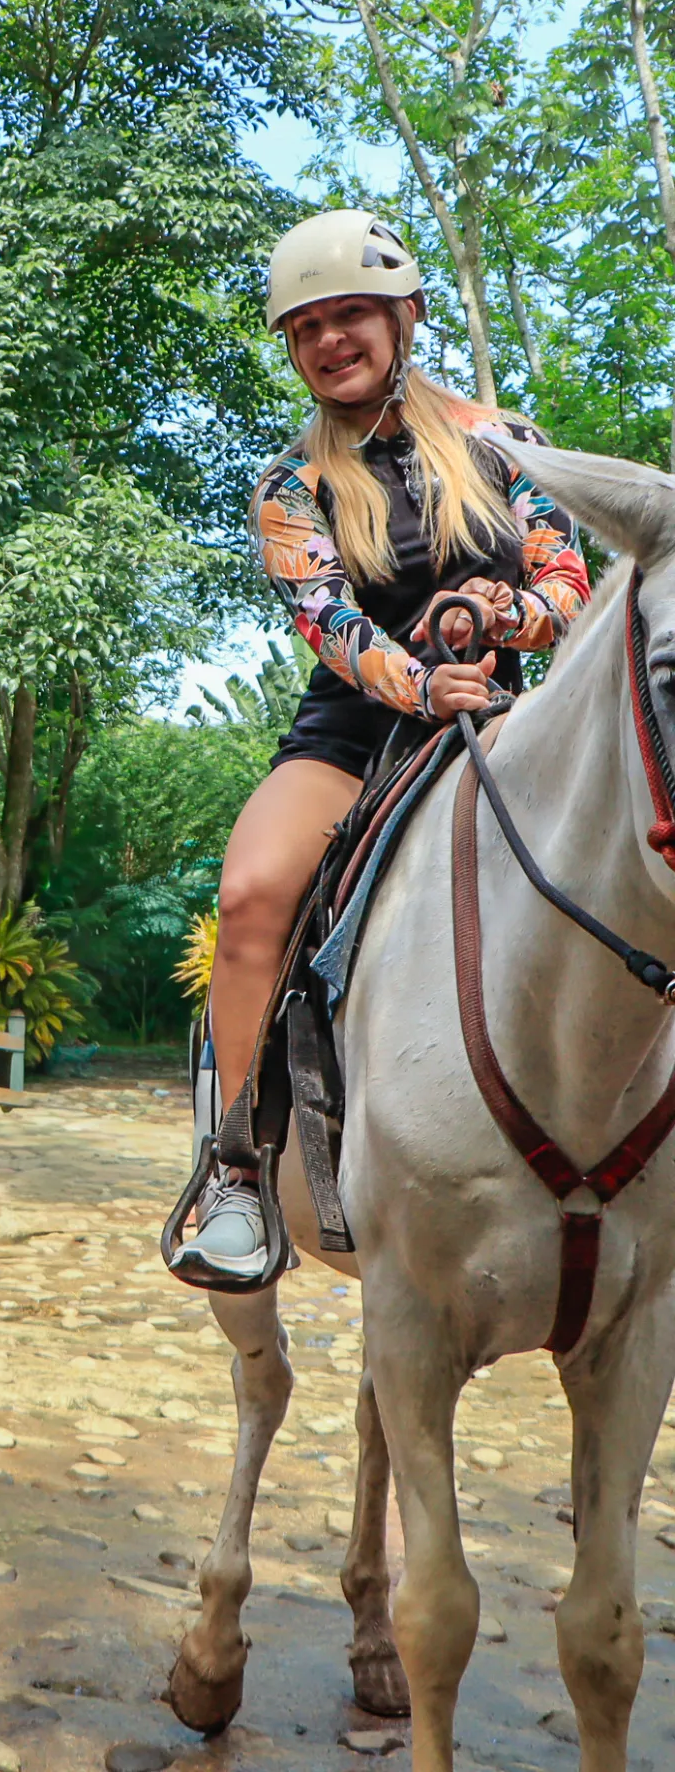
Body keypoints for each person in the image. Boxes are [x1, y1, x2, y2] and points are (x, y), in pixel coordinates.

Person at [175, 209, 590, 1285]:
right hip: (353, 732)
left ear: (406, 314)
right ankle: (232, 1172)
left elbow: (568, 585)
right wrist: (421, 680)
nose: (328, 341)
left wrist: (500, 623)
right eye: (304, 327)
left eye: (349, 314)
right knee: (254, 895)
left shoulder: (511, 443)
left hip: (504, 722)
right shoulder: (287, 487)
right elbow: (327, 622)